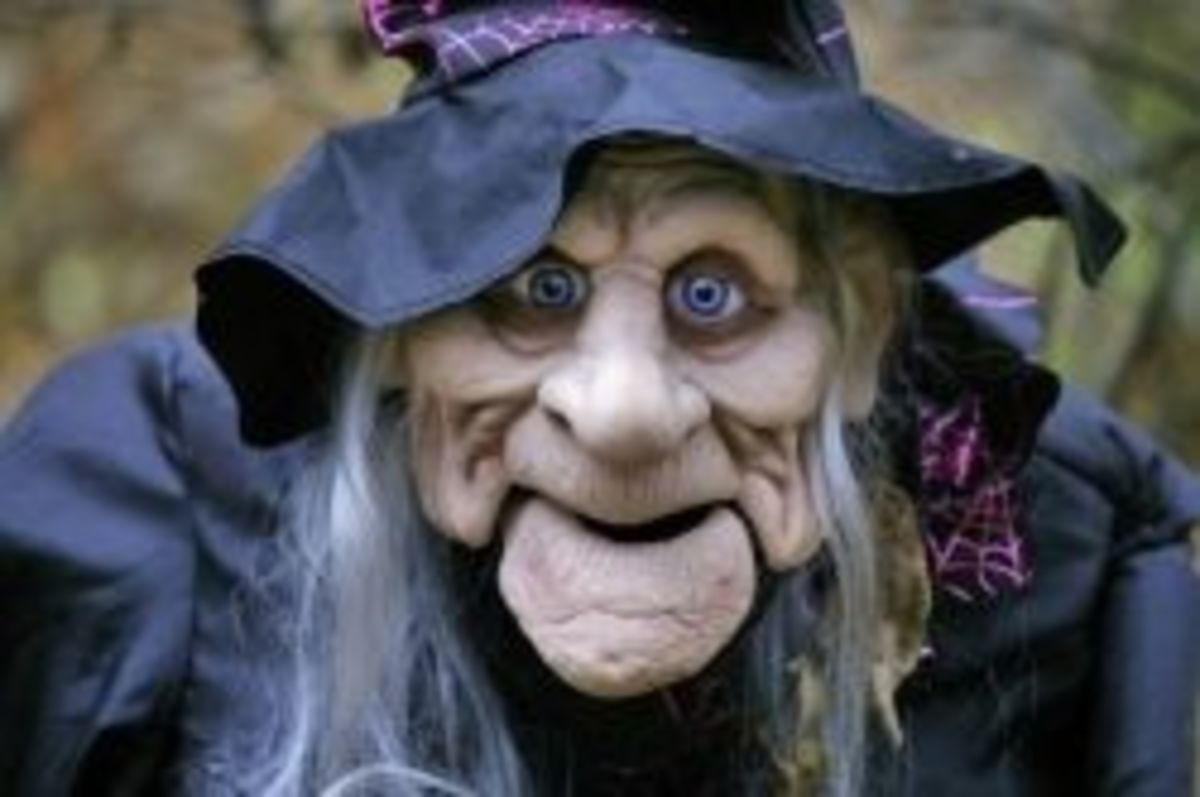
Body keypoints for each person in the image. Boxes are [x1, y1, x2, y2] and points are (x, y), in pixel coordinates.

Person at [2, 1, 1197, 795]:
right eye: (538, 285)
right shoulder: (153, 493)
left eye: (714, 293)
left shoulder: (1065, 548)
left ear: (862, 334)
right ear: (399, 328)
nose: (623, 411)